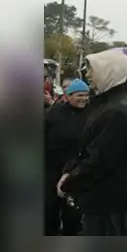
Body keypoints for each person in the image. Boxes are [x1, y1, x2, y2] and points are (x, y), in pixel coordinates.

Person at [57, 50, 127, 236]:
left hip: (108, 205)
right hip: (101, 201)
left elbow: (99, 159)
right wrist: (70, 171)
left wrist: (68, 183)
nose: (87, 74)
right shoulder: (106, 103)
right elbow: (87, 148)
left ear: (108, 71)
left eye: (92, 69)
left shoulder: (118, 110)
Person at [44, 78, 89, 235]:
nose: (84, 98)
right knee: (49, 211)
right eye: (79, 95)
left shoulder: (91, 115)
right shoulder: (54, 113)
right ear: (68, 96)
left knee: (73, 214)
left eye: (86, 95)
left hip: (76, 170)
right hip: (52, 168)